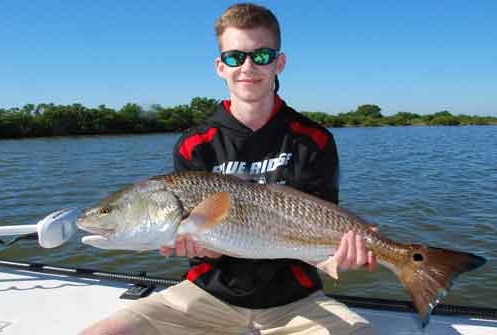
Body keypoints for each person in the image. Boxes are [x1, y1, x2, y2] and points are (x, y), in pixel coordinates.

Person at [81, 3, 376, 334]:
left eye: (261, 56)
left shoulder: (315, 140)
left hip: (295, 300)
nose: (248, 66)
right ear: (221, 67)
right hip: (206, 295)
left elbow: (322, 224)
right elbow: (206, 247)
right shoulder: (194, 144)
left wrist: (348, 254)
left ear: (279, 63)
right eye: (236, 57)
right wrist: (198, 245)